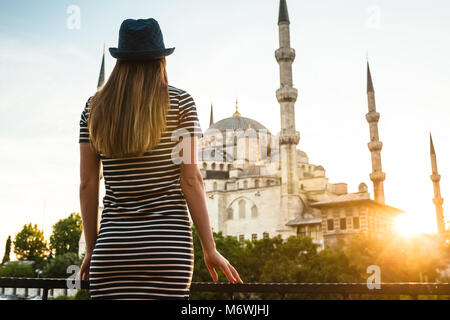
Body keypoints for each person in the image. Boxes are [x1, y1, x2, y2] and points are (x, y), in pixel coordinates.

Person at [77, 18, 242, 300]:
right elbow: (191, 181)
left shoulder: (94, 108)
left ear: (120, 61)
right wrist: (209, 248)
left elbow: (88, 184)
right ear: (160, 60)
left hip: (113, 251)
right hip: (167, 250)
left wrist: (92, 250)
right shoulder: (181, 103)